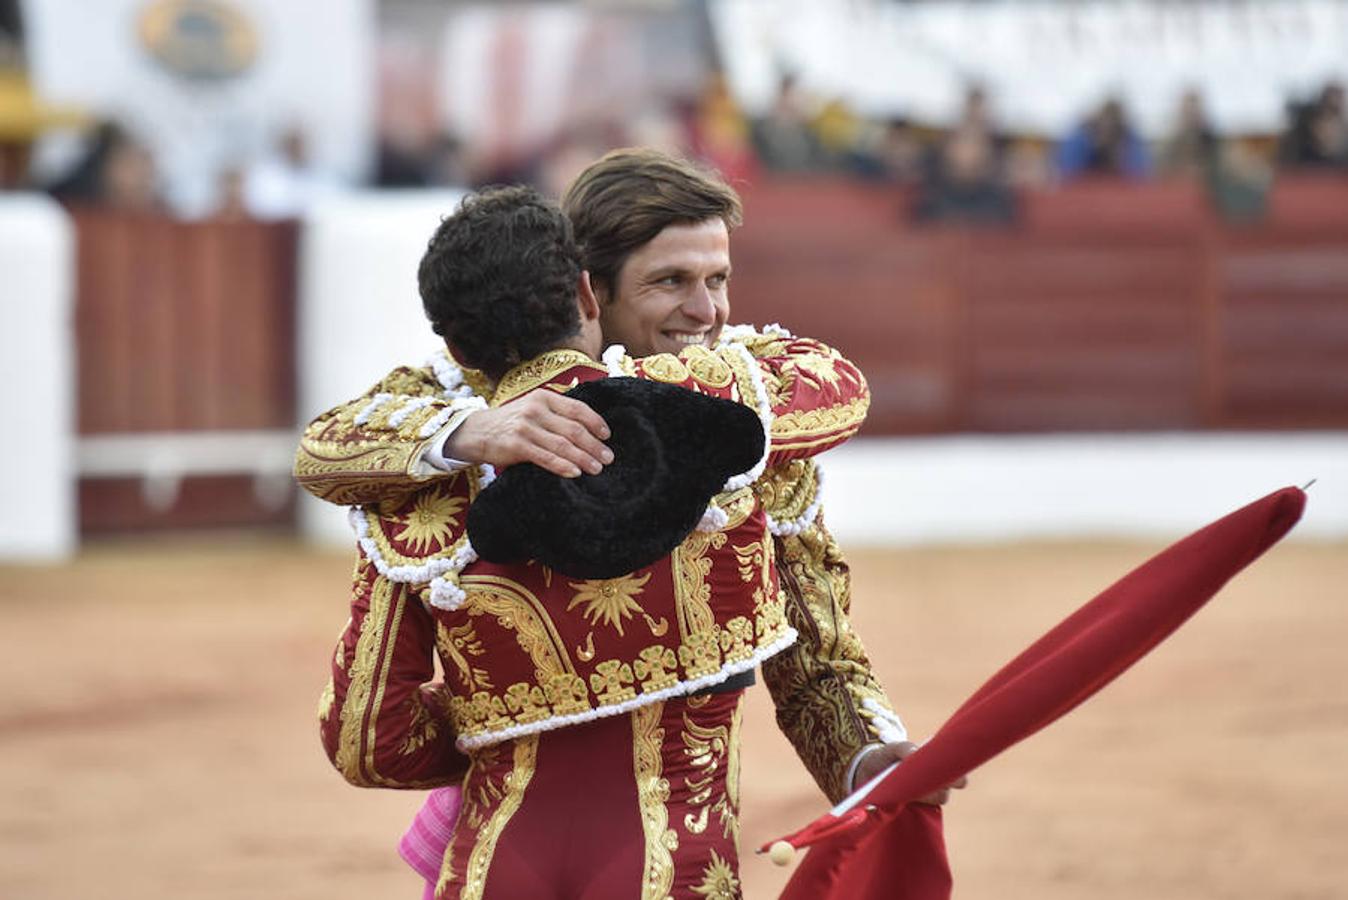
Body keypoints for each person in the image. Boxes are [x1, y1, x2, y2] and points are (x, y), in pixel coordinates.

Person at [316, 183, 872, 897]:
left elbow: (369, 740)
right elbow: (838, 387)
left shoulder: (421, 478)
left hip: (493, 865)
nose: (705, 311)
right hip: (673, 866)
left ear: (453, 341)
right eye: (671, 281)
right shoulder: (722, 431)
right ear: (590, 292)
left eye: (716, 280)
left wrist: (499, 708)